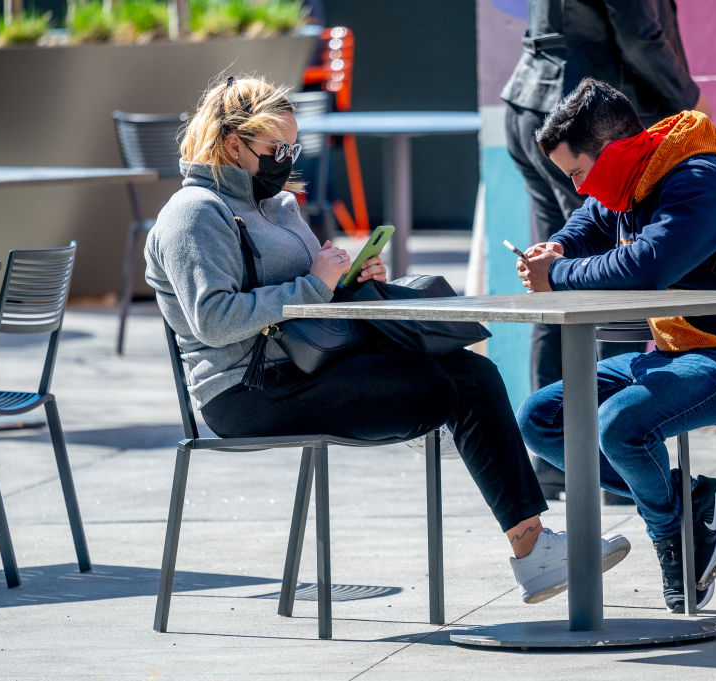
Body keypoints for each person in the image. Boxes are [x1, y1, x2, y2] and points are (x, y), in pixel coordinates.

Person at [143, 75, 631, 605]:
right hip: (248, 390)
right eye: (276, 148)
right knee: (432, 388)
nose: (286, 160)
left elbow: (311, 297)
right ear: (233, 143)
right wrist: (315, 284)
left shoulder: (278, 206)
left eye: (293, 148)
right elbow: (213, 319)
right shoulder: (195, 213)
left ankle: (533, 549)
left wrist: (350, 280)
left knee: (473, 372)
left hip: (314, 363)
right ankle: (494, 492)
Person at [514, 78, 716, 612]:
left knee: (619, 425)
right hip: (679, 356)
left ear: (613, 151)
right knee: (541, 418)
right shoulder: (635, 179)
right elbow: (588, 222)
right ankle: (693, 502)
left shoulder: (699, 181)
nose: (579, 188)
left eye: (578, 173)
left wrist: (559, 275)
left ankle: (673, 539)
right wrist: (558, 248)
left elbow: (649, 265)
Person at [501, 0, 711, 501]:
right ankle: (612, 456)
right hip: (583, 113)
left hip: (528, 98)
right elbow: (639, 33)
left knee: (551, 272)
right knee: (593, 271)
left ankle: (558, 460)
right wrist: (690, 101)